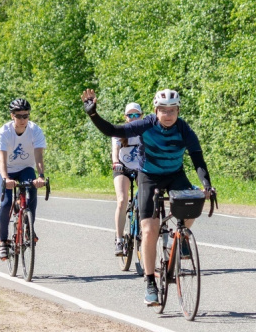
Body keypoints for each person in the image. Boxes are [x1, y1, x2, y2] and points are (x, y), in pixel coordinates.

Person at [82, 88, 213, 306]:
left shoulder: (184, 129)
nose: (168, 115)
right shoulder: (146, 124)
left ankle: (180, 238)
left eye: (172, 110)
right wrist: (93, 114)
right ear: (155, 110)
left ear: (178, 111)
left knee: (194, 202)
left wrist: (207, 185)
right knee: (149, 230)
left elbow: (198, 159)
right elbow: (113, 130)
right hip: (149, 177)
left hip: (175, 175)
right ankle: (151, 282)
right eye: (163, 110)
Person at [0, 98, 47, 261]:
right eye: (19, 116)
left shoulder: (35, 130)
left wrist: (41, 176)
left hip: (25, 168)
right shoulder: (4, 132)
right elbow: (2, 159)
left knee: (32, 192)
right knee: (6, 203)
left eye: (26, 115)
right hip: (6, 170)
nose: (23, 119)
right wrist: (5, 178)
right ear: (12, 116)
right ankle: (3, 241)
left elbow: (38, 156)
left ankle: (29, 228)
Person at [111, 102, 144, 256]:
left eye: (136, 115)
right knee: (122, 200)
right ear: (125, 117)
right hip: (122, 168)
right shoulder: (120, 131)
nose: (133, 117)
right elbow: (115, 149)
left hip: (141, 168)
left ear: (141, 116)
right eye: (130, 115)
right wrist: (115, 162)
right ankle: (119, 239)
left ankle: (144, 229)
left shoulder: (146, 131)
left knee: (146, 198)